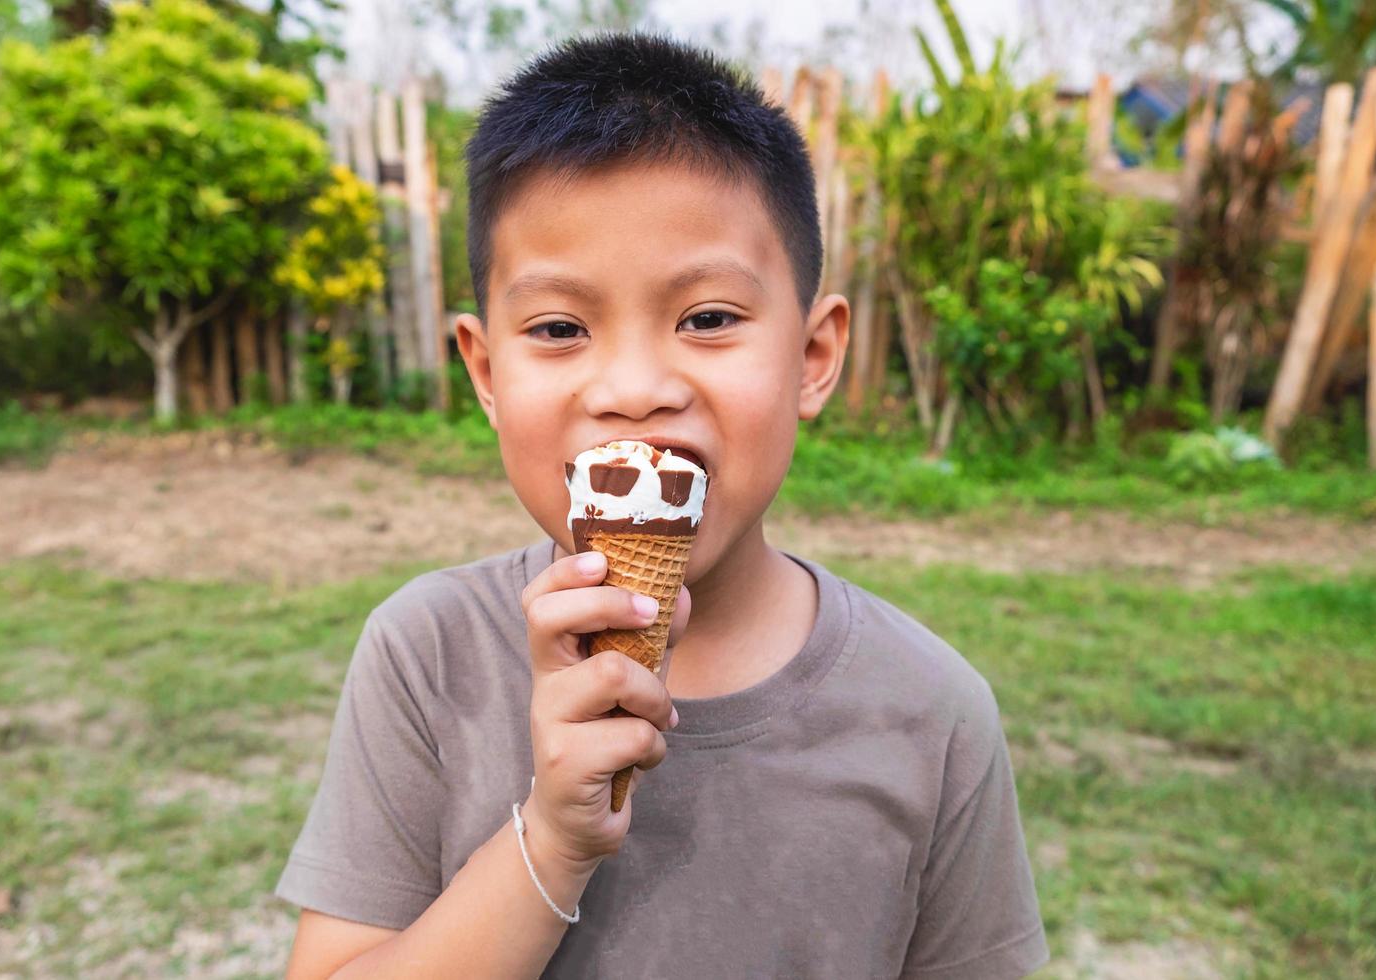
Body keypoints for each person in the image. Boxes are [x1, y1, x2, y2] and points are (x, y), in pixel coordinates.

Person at [276, 31, 1047, 979]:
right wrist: (553, 841)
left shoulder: (933, 714)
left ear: (812, 356)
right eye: (559, 328)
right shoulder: (426, 657)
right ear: (484, 371)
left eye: (708, 319)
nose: (634, 388)